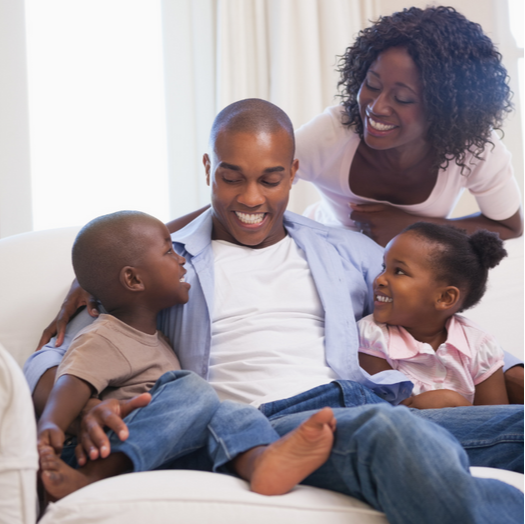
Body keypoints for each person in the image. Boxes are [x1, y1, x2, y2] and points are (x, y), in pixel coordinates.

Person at [26, 99, 523, 524]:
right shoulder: (158, 263)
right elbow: (55, 358)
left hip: (360, 402)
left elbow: (440, 322)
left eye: (270, 179)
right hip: (262, 427)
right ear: (207, 169)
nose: (250, 198)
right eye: (231, 177)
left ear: (293, 174)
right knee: (387, 431)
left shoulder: (345, 251)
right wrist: (85, 407)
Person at [37, 210, 337, 501]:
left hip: (157, 454)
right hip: (96, 452)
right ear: (134, 280)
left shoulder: (159, 340)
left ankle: (263, 461)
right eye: (169, 252)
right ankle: (91, 479)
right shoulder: (106, 335)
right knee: (193, 390)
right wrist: (52, 425)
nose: (182, 259)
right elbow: (72, 382)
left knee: (232, 410)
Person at [294, 6, 523, 247]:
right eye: (372, 84)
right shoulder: (333, 131)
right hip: (326, 249)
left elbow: (509, 226)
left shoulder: (474, 149)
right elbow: (259, 173)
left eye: (402, 98)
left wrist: (416, 229)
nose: (377, 107)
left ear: (441, 108)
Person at [358, 222, 509, 409]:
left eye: (399, 271)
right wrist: (448, 402)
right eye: (383, 267)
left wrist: (457, 405)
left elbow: (499, 419)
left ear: (445, 297)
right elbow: (386, 409)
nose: (379, 279)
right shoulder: (372, 335)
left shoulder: (480, 345)